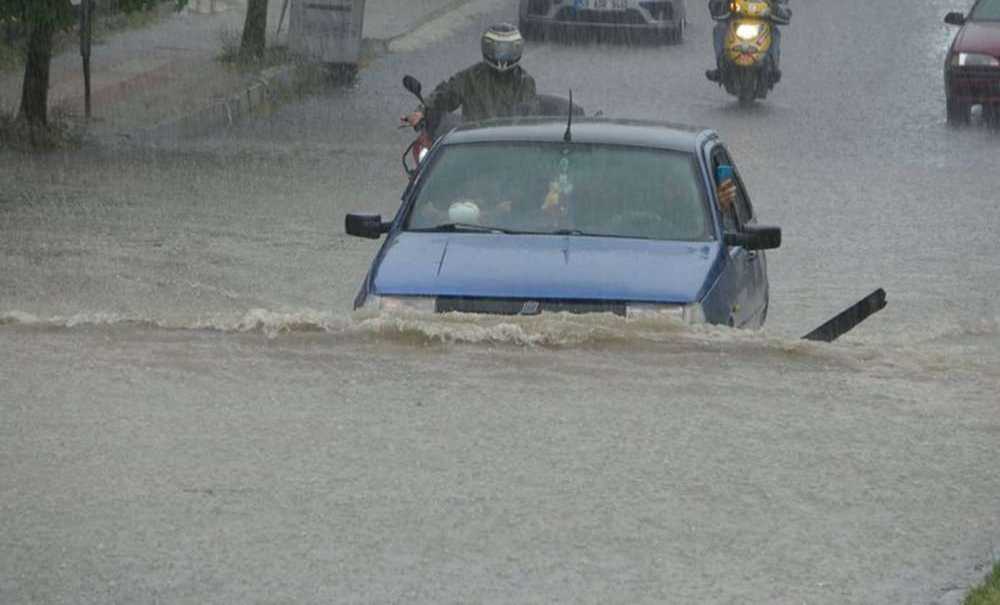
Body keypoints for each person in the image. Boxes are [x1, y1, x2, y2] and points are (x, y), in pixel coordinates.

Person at [402, 23, 538, 128]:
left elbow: (529, 117)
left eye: (507, 51)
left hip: (510, 145)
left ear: (517, 49)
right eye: (497, 49)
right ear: (486, 48)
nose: (502, 57)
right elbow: (446, 94)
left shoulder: (525, 82)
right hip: (472, 143)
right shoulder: (471, 76)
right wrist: (422, 112)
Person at [705, 0, 791, 83]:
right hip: (736, 15)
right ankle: (721, 66)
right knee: (719, 29)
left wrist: (780, 8)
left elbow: (782, 4)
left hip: (763, 16)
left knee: (774, 32)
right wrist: (719, 4)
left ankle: (773, 68)